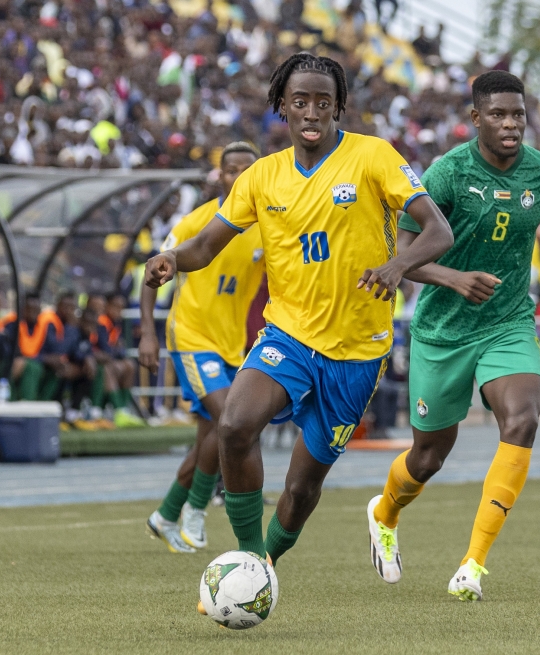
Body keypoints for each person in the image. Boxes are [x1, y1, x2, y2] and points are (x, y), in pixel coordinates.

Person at [144, 53, 453, 579]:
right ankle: (247, 559)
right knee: (235, 425)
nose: (311, 111)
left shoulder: (373, 157)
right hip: (287, 335)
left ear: (338, 108)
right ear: (281, 107)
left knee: (301, 487)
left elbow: (438, 232)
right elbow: (205, 246)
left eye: (323, 102)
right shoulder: (262, 177)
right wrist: (172, 260)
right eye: (300, 101)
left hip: (357, 351)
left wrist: (397, 265)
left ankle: (266, 560)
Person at [367, 70, 540, 601]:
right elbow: (404, 259)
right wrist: (454, 278)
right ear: (476, 119)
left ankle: (472, 566)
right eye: (499, 115)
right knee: (429, 457)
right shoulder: (448, 173)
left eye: (518, 114)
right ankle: (384, 513)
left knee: (522, 419)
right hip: (442, 329)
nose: (511, 124)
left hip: (508, 322)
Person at [140, 141, 265, 554]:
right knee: (231, 418)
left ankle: (164, 516)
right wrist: (147, 332)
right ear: (220, 175)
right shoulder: (197, 221)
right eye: (232, 169)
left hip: (232, 346)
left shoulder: (267, 225)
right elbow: (154, 270)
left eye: (248, 169)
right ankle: (196, 511)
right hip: (192, 337)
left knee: (210, 437)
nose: (239, 177)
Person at [91, 294, 145, 427]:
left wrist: (116, 351)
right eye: (115, 306)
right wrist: (115, 351)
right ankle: (117, 411)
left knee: (130, 365)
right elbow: (105, 348)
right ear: (107, 306)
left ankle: (124, 409)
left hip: (108, 359)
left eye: (121, 307)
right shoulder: (102, 321)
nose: (119, 310)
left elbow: (119, 349)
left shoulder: (116, 324)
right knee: (109, 369)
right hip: (94, 362)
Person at [0, 292, 64, 401]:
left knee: (59, 369)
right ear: (22, 309)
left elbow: (53, 350)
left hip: (39, 366)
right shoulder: (11, 325)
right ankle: (26, 403)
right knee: (32, 367)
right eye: (29, 308)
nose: (33, 313)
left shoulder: (45, 327)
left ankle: (44, 404)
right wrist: (42, 358)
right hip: (13, 366)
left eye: (36, 309)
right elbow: (9, 353)